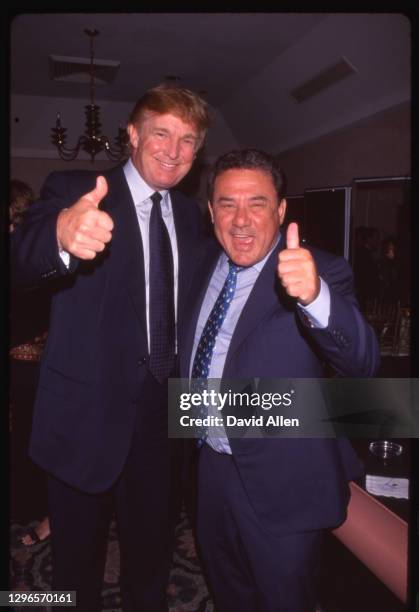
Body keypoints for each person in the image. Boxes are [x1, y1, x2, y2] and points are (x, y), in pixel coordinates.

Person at [11, 84, 209, 612]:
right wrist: (59, 232)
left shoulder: (191, 218)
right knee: (77, 569)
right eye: (161, 133)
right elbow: (19, 258)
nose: (173, 149)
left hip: (162, 422)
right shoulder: (76, 187)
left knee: (152, 557)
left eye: (187, 140)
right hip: (84, 418)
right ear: (132, 135)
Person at [179, 149, 380, 612]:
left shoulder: (320, 271)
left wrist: (315, 297)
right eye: (227, 204)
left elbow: (362, 362)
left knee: (284, 599)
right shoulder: (201, 266)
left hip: (284, 478)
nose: (242, 220)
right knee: (228, 588)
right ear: (211, 211)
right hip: (209, 468)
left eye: (258, 203)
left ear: (282, 209)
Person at [9, 180, 51, 546]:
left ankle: (38, 510)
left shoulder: (34, 255)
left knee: (31, 436)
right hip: (21, 365)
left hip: (36, 368)